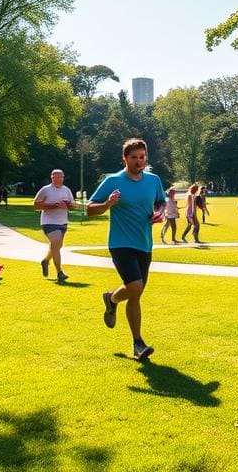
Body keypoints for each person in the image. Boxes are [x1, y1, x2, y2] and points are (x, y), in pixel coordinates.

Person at [87, 138, 166, 361]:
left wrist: (159, 212)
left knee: (136, 292)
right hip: (121, 243)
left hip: (144, 244)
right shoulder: (113, 181)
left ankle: (112, 299)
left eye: (142, 157)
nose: (139, 161)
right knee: (135, 286)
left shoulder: (153, 180)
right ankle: (138, 342)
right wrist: (107, 204)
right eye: (134, 157)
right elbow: (91, 210)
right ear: (125, 158)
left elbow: (160, 201)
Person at [34, 169, 74, 282]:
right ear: (52, 178)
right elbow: (36, 205)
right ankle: (59, 272)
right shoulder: (45, 190)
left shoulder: (66, 190)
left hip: (63, 221)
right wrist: (54, 205)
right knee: (56, 244)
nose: (58, 179)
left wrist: (69, 205)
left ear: (63, 177)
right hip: (48, 221)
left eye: (60, 177)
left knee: (57, 246)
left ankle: (46, 261)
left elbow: (73, 204)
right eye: (55, 177)